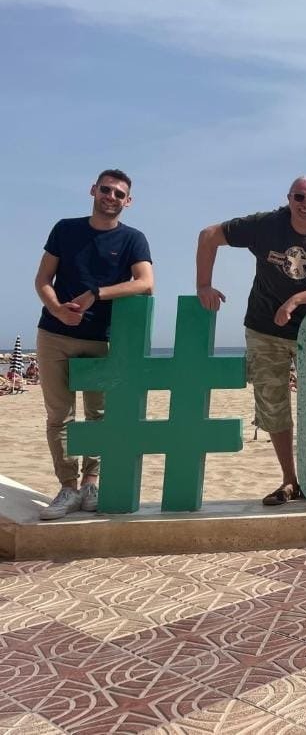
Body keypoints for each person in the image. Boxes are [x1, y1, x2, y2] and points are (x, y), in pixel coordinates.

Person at [196, 176, 306, 506]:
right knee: (273, 405)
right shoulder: (266, 225)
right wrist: (204, 285)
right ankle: (289, 480)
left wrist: (297, 299)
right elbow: (209, 235)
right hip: (264, 329)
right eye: (300, 197)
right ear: (289, 199)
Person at [33, 169, 154, 520]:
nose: (111, 197)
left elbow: (146, 283)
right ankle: (67, 487)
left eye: (119, 194)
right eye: (106, 189)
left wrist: (96, 294)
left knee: (98, 416)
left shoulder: (133, 239)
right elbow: (43, 278)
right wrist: (57, 309)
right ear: (93, 190)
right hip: (54, 335)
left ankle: (90, 483)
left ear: (128, 201)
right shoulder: (65, 229)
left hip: (101, 339)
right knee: (59, 416)